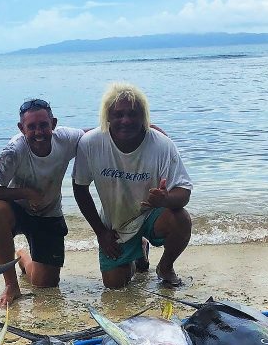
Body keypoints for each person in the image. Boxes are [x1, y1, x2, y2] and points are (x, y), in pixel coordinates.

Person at [72, 82, 192, 289]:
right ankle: (139, 251)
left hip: (151, 215)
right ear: (107, 117)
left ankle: (165, 266)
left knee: (181, 218)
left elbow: (184, 192)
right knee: (116, 286)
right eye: (118, 115)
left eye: (133, 114)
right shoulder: (90, 143)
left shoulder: (162, 145)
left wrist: (166, 199)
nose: (125, 120)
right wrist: (101, 232)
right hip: (117, 222)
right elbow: (79, 188)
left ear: (143, 117)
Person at [0, 98, 84, 306]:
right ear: (21, 128)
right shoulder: (14, 151)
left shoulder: (67, 139)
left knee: (45, 284)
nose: (38, 132)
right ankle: (11, 284)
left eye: (43, 125)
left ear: (54, 123)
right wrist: (26, 193)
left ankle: (23, 257)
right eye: (31, 127)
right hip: (18, 211)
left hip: (48, 214)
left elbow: (100, 134)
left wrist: (144, 127)